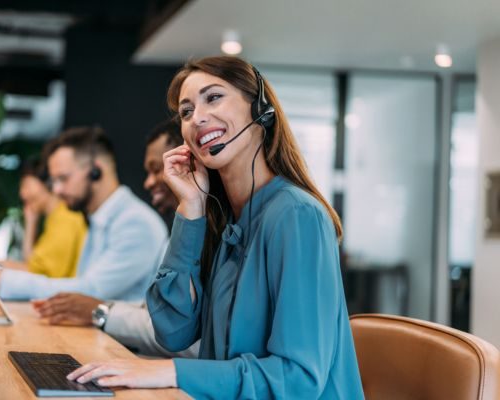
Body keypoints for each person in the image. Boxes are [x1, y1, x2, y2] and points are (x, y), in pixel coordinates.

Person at [65, 56, 364, 399]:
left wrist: (168, 371)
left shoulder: (297, 215)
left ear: (260, 110)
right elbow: (172, 331)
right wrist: (190, 209)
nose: (198, 118)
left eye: (213, 97)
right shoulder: (223, 219)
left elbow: (297, 380)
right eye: (186, 112)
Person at [32, 120, 199, 358]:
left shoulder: (137, 223)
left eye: (157, 169)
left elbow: (178, 333)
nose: (148, 182)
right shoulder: (99, 220)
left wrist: (100, 311)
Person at [0, 127, 168, 302]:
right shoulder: (99, 217)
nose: (56, 190)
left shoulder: (135, 223)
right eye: (54, 181)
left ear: (95, 171)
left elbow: (90, 291)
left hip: (121, 344)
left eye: (63, 178)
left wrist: (2, 279)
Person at [0, 159, 87, 278]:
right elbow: (33, 265)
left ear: (47, 183)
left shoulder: (65, 218)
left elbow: (36, 274)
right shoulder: (57, 217)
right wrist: (31, 223)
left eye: (26, 185)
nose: (22, 193)